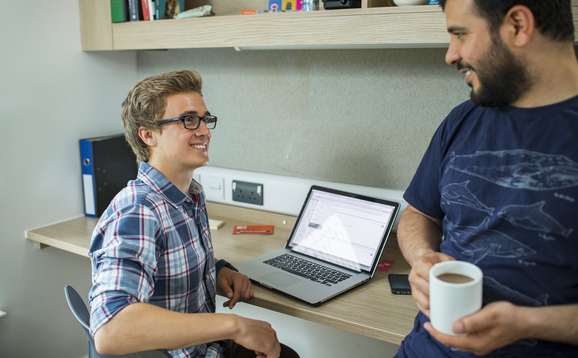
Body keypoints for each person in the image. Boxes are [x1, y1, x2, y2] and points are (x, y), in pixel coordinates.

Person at [396, 0, 578, 357]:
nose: (451, 55)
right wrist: (422, 259)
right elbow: (419, 214)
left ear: (518, 25)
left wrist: (527, 323)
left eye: (460, 34)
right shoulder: (462, 120)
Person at [88, 70, 299, 358]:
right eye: (188, 120)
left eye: (205, 119)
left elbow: (169, 260)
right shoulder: (138, 211)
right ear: (148, 135)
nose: (204, 131)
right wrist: (233, 325)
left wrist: (217, 269)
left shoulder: (188, 195)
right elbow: (110, 329)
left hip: (208, 348)